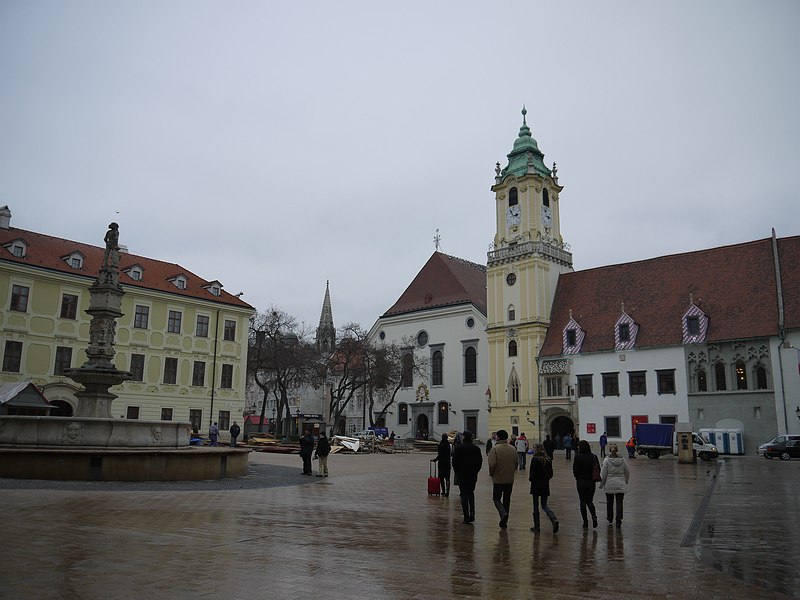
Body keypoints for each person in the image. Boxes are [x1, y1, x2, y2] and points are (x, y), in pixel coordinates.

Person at [488, 429, 518, 528]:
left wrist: (492, 474)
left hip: (498, 478)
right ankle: (504, 521)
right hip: (510, 479)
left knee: (496, 498)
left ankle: (503, 514)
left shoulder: (495, 449)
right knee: (507, 499)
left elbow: (492, 464)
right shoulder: (513, 448)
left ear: (499, 437)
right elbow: (516, 463)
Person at [451, 431, 483, 524]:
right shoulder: (476, 449)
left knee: (463, 495)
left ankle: (466, 516)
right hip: (472, 475)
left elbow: (454, 462)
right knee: (471, 494)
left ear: (464, 437)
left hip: (462, 475)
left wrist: (458, 472)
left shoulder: (459, 448)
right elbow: (479, 462)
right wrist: (475, 472)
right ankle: (472, 513)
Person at [529, 443, 559, 533]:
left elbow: (532, 474)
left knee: (535, 505)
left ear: (536, 449)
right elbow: (551, 474)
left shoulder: (534, 459)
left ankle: (537, 526)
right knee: (544, 505)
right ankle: (553, 518)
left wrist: (531, 479)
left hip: (536, 485)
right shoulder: (548, 459)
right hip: (545, 485)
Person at [600, 443, 630, 527]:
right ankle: (618, 520)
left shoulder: (606, 460)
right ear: (617, 450)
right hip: (620, 483)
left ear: (609, 450)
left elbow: (603, 473)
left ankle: (610, 518)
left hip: (609, 483)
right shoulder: (622, 460)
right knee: (619, 503)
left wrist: (601, 484)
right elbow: (627, 471)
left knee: (609, 502)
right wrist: (626, 481)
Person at [572, 440, 599, 528]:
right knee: (590, 501)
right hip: (591, 481)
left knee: (582, 501)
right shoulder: (593, 456)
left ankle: (585, 522)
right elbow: (598, 468)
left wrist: (577, 476)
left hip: (581, 481)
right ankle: (594, 517)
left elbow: (575, 470)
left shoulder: (577, 456)